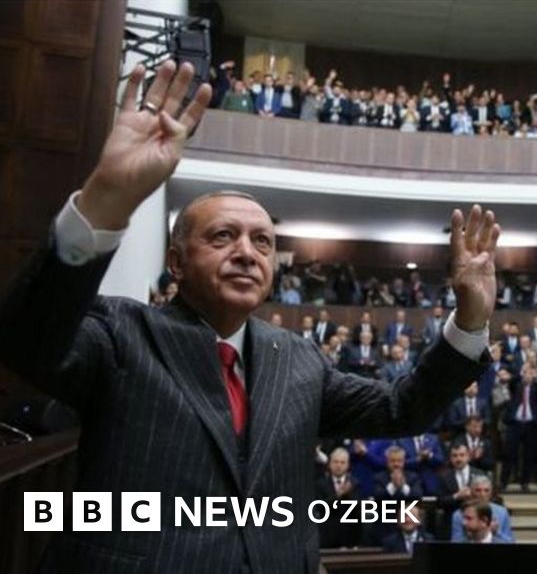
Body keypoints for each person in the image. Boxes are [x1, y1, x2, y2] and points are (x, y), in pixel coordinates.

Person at [0, 60, 503, 573]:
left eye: (262, 242)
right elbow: (27, 341)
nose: (246, 252)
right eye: (223, 236)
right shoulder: (121, 333)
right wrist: (105, 200)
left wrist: (469, 320)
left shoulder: (299, 360)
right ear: (176, 263)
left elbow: (402, 408)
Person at [316, 447, 361, 549]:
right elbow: (320, 507)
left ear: (348, 465)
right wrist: (338, 495)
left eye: (342, 462)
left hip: (349, 538)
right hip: (328, 537)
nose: (338, 466)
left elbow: (357, 510)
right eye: (335, 462)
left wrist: (347, 494)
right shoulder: (321, 484)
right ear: (330, 464)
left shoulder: (355, 484)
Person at [450, 476, 514, 543]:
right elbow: (456, 540)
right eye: (478, 490)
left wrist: (496, 532)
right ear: (471, 492)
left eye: (486, 490)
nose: (482, 494)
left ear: (491, 492)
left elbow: (510, 541)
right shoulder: (459, 514)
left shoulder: (502, 512)